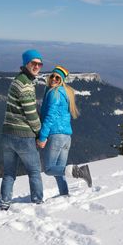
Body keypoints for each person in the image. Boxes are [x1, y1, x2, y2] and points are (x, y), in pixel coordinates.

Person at [0, 49, 44, 211]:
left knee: (9, 173)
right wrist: (40, 133)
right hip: (23, 136)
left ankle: (4, 202)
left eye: (40, 64)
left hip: (7, 134)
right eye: (34, 63)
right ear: (26, 63)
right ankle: (38, 201)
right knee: (34, 171)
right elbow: (30, 113)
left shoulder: (17, 80)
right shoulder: (26, 84)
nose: (37, 66)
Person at [37, 65, 92, 196]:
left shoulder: (54, 93)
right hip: (66, 137)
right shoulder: (65, 93)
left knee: (49, 169)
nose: (54, 79)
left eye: (58, 78)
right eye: (53, 76)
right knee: (59, 170)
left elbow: (50, 116)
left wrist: (42, 137)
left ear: (62, 80)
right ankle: (65, 195)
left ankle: (79, 171)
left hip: (55, 135)